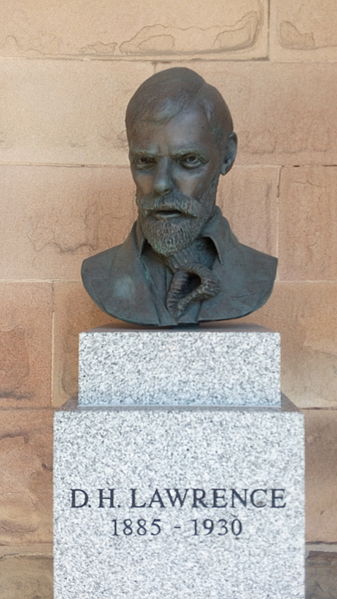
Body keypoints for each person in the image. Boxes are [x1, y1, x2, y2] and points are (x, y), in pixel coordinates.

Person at [82, 68, 277, 326]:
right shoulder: (100, 274)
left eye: (188, 160)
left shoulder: (257, 273)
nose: (161, 183)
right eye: (145, 161)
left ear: (227, 156)